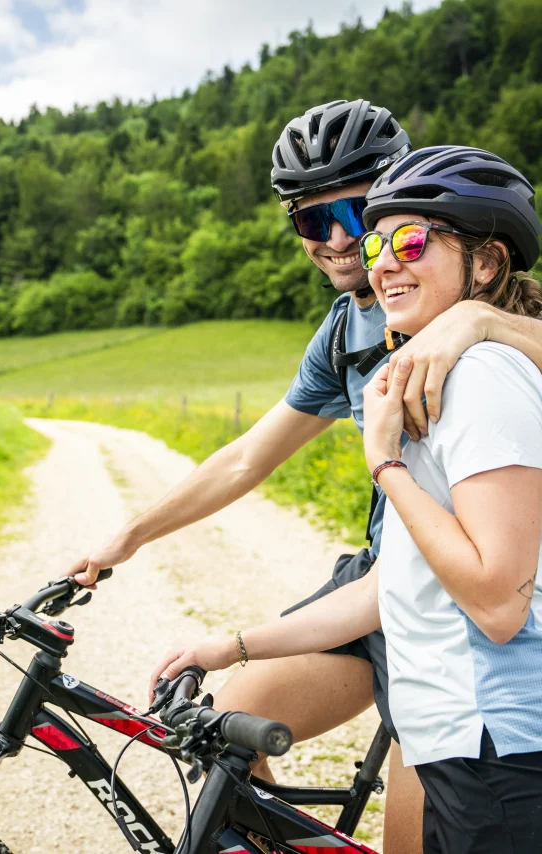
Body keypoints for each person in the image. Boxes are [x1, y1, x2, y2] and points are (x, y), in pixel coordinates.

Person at [66, 101, 542, 853]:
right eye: (312, 221)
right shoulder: (347, 327)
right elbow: (248, 456)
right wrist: (129, 535)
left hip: (465, 598)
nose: (341, 240)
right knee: (222, 739)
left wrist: (478, 322)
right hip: (389, 573)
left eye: (358, 213)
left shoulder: (477, 312)